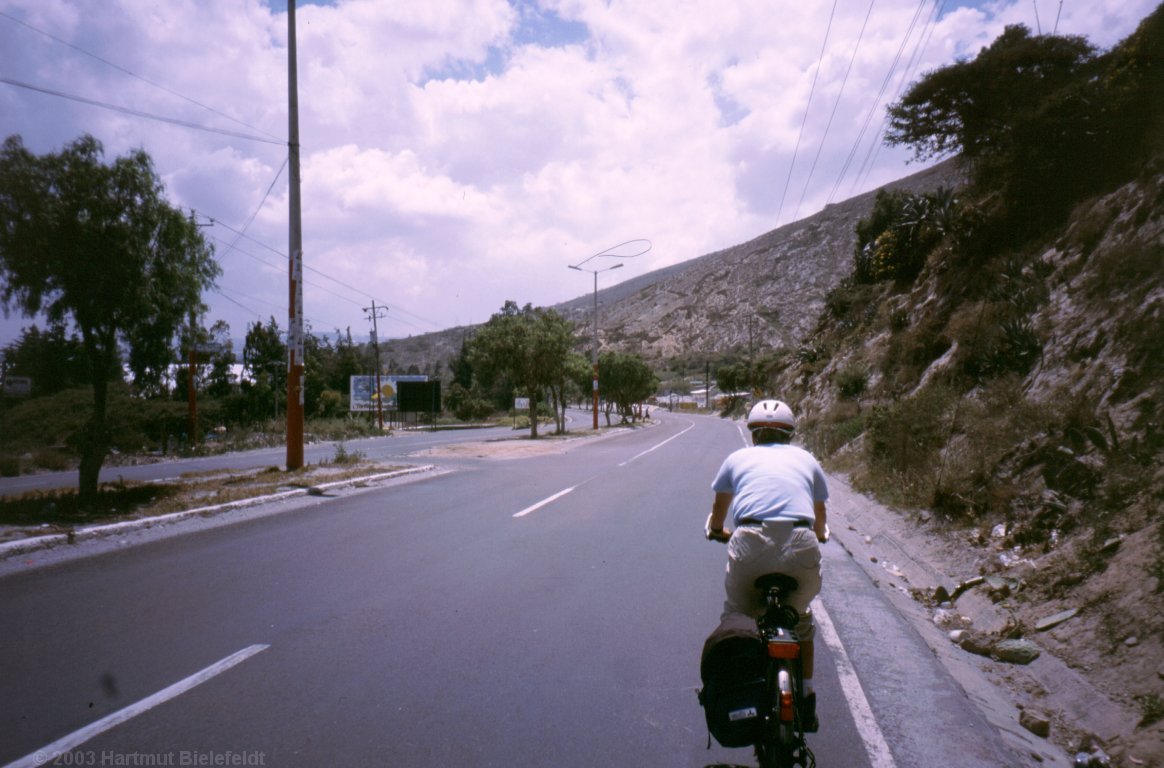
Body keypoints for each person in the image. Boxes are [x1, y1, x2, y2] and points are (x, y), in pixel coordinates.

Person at [705, 398, 829, 730]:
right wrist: (821, 534)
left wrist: (717, 530)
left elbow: (719, 509)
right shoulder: (807, 459)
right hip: (801, 545)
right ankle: (805, 698)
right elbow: (820, 519)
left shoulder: (737, 458)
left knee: (737, 618)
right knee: (801, 623)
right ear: (790, 434)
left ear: (754, 433)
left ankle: (740, 693)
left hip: (750, 542)